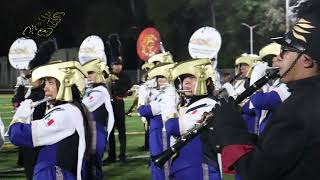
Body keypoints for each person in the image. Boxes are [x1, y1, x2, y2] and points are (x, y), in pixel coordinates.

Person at [212, 1, 320, 179]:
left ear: (307, 60)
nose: (278, 57)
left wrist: (229, 127)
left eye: (285, 50)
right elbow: (285, 152)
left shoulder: (297, 109)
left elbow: (256, 171)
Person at [8, 61, 93, 180]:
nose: (45, 87)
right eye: (46, 82)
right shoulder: (70, 109)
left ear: (66, 84)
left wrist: (20, 115)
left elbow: (17, 135)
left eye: (51, 83)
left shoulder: (64, 114)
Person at [164, 59, 222, 180]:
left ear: (207, 82)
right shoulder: (193, 104)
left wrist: (169, 102)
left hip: (200, 170)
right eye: (184, 78)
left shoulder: (209, 105)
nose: (186, 82)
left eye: (192, 77)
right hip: (187, 169)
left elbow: (173, 127)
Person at [138, 62, 177, 180]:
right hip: (157, 131)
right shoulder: (164, 92)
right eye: (158, 76)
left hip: (162, 132)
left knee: (161, 165)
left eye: (162, 76)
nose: (159, 79)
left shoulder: (169, 92)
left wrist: (144, 94)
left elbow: (144, 111)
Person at [81, 58, 114, 179]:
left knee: (93, 169)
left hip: (96, 132)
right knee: (88, 168)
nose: (87, 77)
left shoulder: (99, 92)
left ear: (98, 74)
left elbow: (82, 106)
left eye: (91, 73)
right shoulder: (92, 90)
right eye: (86, 74)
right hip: (91, 131)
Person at [105, 57, 132, 163]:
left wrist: (115, 87)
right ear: (112, 66)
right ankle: (111, 155)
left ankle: (122, 154)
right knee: (110, 131)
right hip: (109, 105)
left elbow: (125, 89)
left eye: (119, 64)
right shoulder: (107, 75)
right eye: (115, 64)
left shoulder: (125, 76)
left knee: (121, 130)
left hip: (119, 104)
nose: (117, 66)